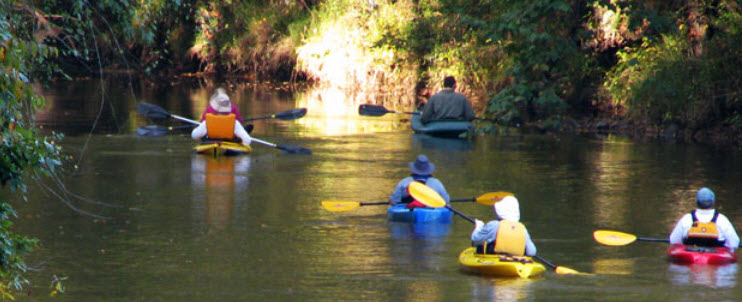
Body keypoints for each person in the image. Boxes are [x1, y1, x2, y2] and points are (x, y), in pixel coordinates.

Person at [669, 187, 740, 250]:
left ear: (697, 202)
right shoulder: (722, 220)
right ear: (713, 202)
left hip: (691, 253)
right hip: (715, 258)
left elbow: (674, 240)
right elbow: (734, 243)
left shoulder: (686, 219)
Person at [471, 196, 537, 256]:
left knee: (479, 246)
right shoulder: (523, 229)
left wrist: (478, 226)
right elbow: (531, 252)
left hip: (494, 258)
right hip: (516, 260)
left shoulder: (494, 225)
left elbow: (475, 239)